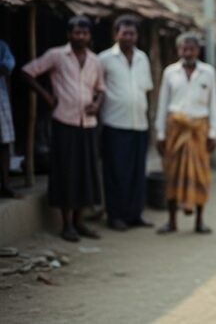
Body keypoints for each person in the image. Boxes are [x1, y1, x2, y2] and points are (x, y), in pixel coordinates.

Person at [22, 15, 105, 242]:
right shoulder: (56, 55)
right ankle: (66, 225)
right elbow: (28, 72)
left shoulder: (95, 61)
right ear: (69, 35)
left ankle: (80, 222)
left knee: (85, 174)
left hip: (87, 124)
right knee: (66, 172)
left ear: (89, 36)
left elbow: (101, 89)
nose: (80, 36)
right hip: (64, 121)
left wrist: (96, 105)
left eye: (84, 33)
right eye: (76, 33)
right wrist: (47, 97)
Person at [155, 32, 216, 235]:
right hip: (175, 129)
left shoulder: (208, 72)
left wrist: (214, 132)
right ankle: (172, 221)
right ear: (178, 50)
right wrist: (160, 134)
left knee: (200, 175)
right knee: (172, 173)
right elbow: (162, 104)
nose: (187, 52)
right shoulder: (170, 73)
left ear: (197, 50)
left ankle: (199, 221)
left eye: (191, 48)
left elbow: (214, 104)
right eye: (184, 48)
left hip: (199, 129)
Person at [98, 15, 153, 231]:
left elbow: (145, 90)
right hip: (115, 124)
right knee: (116, 173)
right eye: (124, 33)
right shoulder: (104, 59)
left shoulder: (143, 58)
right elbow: (98, 89)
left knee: (137, 172)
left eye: (132, 33)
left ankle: (135, 214)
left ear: (137, 36)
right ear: (116, 34)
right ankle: (115, 215)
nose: (129, 37)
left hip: (139, 124)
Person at [0, 39, 19, 198]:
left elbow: (8, 66)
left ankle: (5, 185)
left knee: (4, 142)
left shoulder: (1, 46)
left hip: (0, 100)